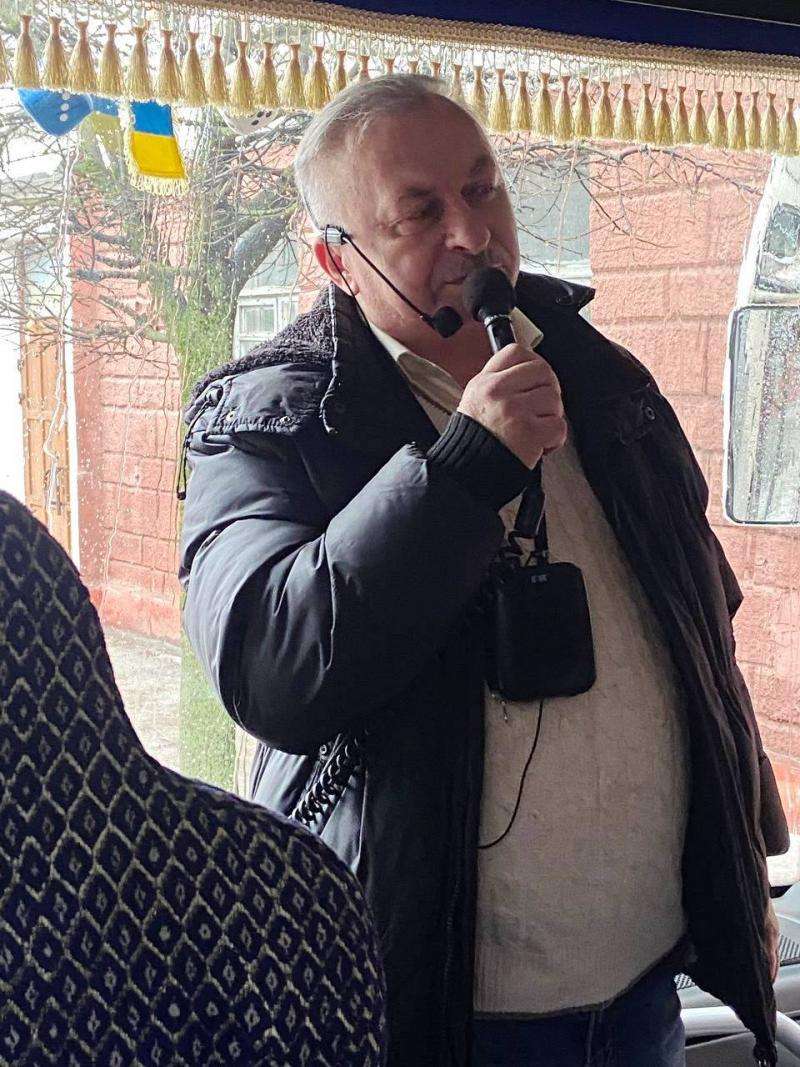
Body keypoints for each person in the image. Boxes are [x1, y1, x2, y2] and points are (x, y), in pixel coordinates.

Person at [179, 74, 789, 1067]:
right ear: (336, 259)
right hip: (430, 1007)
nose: (471, 235)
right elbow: (270, 668)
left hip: (643, 986)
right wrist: (465, 469)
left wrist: (744, 863)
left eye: (482, 189)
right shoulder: (269, 417)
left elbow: (699, 621)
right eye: (419, 212)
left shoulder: (602, 376)